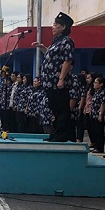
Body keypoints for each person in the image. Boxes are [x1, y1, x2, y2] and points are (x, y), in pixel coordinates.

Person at [33, 12, 75, 142]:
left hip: (58, 82)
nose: (53, 27)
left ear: (63, 27)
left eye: (56, 24)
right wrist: (43, 48)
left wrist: (61, 79)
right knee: (54, 109)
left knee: (61, 109)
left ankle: (62, 136)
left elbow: (67, 61)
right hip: (49, 82)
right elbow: (52, 57)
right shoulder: (56, 41)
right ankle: (56, 133)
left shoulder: (67, 41)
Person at [89, 76, 105, 153]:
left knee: (99, 132)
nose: (94, 84)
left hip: (98, 115)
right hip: (93, 114)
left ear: (101, 84)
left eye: (96, 82)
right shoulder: (96, 92)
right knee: (95, 131)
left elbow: (103, 104)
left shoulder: (102, 93)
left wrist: (100, 114)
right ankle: (96, 146)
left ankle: (99, 147)